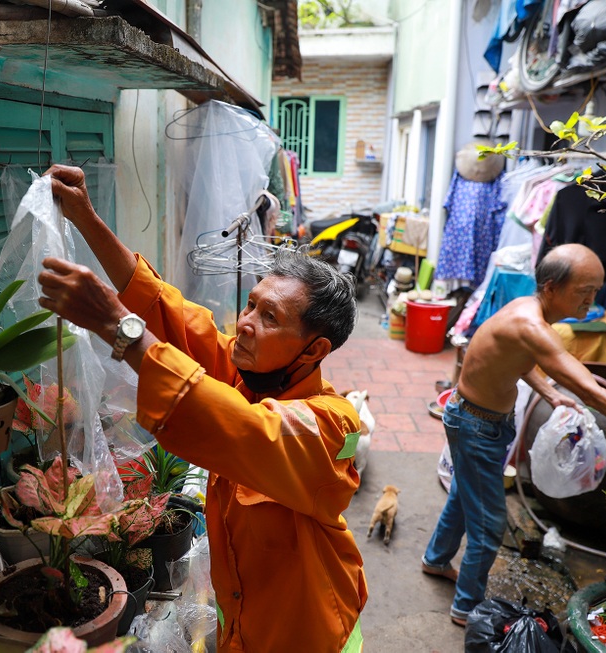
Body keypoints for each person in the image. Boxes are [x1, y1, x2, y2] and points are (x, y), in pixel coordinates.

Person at [36, 164, 367, 652]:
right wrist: (84, 215)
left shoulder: (332, 427)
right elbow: (163, 308)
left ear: (313, 350)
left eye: (269, 317)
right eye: (251, 304)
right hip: (244, 627)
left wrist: (116, 327)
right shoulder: (248, 372)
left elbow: (246, 429)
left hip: (308, 635)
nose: (247, 323)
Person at [422, 243, 606, 627]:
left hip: (482, 421)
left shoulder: (528, 311)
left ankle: (435, 560)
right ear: (551, 287)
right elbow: (591, 392)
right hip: (475, 424)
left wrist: (549, 392)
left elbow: (518, 358)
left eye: (595, 291)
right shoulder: (532, 325)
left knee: (465, 497)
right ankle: (466, 608)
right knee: (489, 525)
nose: (592, 300)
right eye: (585, 292)